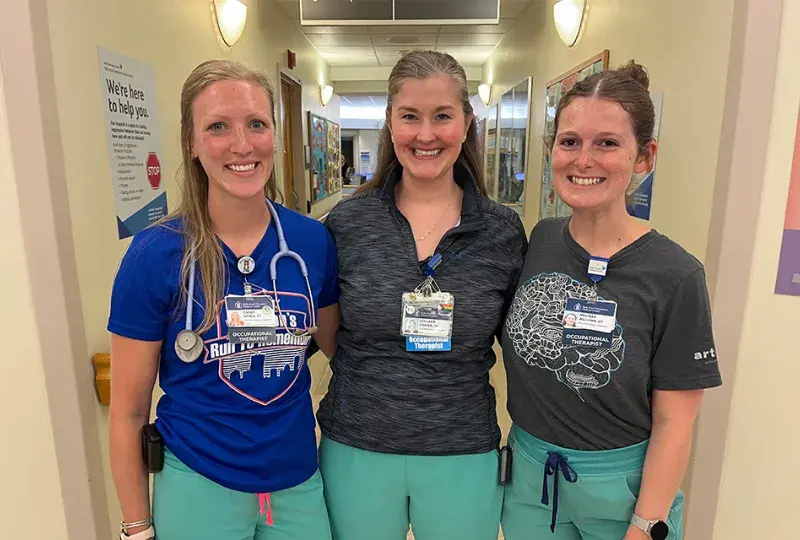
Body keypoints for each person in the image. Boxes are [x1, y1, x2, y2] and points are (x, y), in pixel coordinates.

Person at [107, 59, 339, 540]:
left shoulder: (311, 242)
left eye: (256, 124)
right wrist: (136, 528)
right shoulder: (155, 254)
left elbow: (340, 349)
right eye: (218, 127)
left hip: (297, 482)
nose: (242, 144)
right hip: (197, 484)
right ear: (192, 143)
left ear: (274, 134)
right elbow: (128, 411)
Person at [500, 60, 722, 540]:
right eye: (570, 141)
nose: (583, 161)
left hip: (623, 494)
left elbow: (675, 422)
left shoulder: (676, 275)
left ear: (645, 157)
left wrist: (645, 526)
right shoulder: (540, 241)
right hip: (531, 483)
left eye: (607, 143)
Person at [317, 50, 528, 540]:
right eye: (409, 116)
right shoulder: (348, 223)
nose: (426, 134)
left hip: (463, 451)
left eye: (442, 116)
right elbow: (330, 336)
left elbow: (514, 346)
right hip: (357, 446)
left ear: (467, 123)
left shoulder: (502, 232)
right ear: (390, 123)